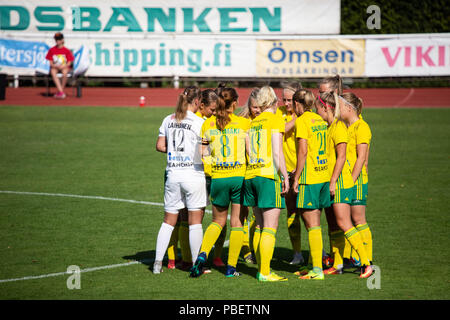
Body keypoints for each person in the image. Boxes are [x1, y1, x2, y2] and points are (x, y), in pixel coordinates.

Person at [190, 87, 250, 278]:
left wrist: (212, 171)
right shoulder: (243, 123)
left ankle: (202, 255)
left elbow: (201, 155)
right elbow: (252, 154)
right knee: (237, 222)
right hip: (239, 177)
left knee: (217, 221)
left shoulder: (207, 124)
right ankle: (231, 268)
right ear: (235, 103)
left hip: (218, 178)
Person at [317, 91, 373, 278]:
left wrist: (348, 180)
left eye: (319, 109)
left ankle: (366, 262)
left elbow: (359, 158)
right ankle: (340, 262)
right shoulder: (335, 127)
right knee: (340, 222)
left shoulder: (354, 127)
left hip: (344, 180)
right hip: (341, 179)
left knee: (348, 222)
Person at [153, 86, 207, 274]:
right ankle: (195, 265)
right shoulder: (200, 122)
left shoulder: (168, 119)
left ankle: (157, 264)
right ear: (198, 102)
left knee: (168, 221)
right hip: (193, 174)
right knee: (195, 222)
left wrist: (176, 152)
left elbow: (160, 146)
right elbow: (203, 152)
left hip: (173, 174)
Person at [243, 86, 289, 282]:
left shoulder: (254, 122)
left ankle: (262, 269)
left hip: (251, 175)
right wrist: (285, 176)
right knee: (270, 227)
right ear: (274, 101)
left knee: (261, 226)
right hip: (267, 176)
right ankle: (265, 272)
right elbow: (277, 152)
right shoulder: (275, 119)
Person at [292, 89, 330, 280]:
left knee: (312, 223)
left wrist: (297, 177)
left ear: (297, 104)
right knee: (314, 221)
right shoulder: (318, 119)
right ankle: (311, 263)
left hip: (310, 177)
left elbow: (303, 152)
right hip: (324, 175)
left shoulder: (302, 120)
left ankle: (317, 269)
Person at [339, 92, 374, 267]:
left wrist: (352, 179)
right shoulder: (347, 126)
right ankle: (349, 258)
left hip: (357, 180)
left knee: (358, 219)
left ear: (348, 108)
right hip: (348, 179)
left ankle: (368, 259)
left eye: (340, 105)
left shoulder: (362, 127)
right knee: (348, 220)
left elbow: (361, 158)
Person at [276, 81, 306, 265]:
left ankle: (320, 250)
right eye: (284, 99)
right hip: (286, 172)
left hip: (304, 171)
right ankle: (297, 252)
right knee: (292, 212)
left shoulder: (308, 117)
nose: (286, 103)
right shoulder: (280, 114)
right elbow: (282, 129)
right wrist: (297, 119)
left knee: (310, 212)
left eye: (290, 100)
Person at [45, 32, 74, 99]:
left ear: (62, 40)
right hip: (55, 67)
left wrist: (63, 66)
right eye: (56, 40)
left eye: (59, 39)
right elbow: (50, 62)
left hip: (64, 66)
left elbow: (69, 63)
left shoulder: (66, 50)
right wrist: (55, 66)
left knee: (65, 72)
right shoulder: (52, 50)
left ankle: (60, 91)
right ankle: (61, 91)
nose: (57, 41)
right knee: (53, 72)